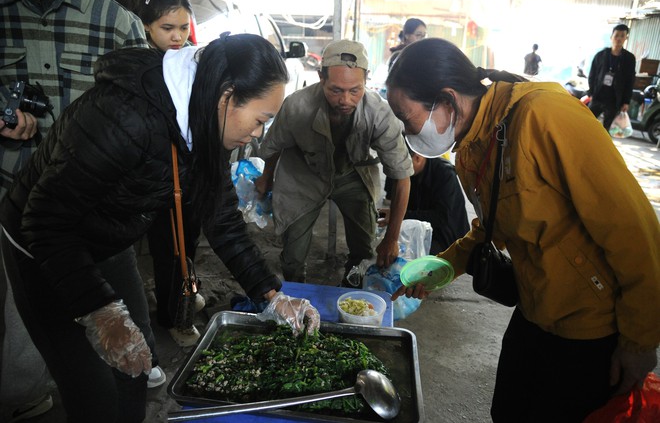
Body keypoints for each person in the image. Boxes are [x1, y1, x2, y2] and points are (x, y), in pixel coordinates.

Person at [0, 33, 321, 423]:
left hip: (111, 231)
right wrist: (101, 312)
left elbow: (220, 216)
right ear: (226, 96)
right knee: (93, 386)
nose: (258, 134)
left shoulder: (205, 116)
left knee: (138, 360)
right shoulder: (125, 116)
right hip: (44, 244)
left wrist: (270, 294)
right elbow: (46, 220)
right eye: (260, 120)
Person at [386, 38, 660, 422]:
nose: (404, 130)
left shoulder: (543, 116)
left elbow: (635, 231)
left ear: (446, 101)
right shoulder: (472, 146)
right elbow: (489, 229)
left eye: (405, 117)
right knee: (508, 412)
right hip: (534, 309)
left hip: (589, 328)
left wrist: (640, 340)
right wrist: (436, 270)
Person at [0, 0, 150, 418]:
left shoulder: (117, 21)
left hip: (95, 207)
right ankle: (24, 396)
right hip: (12, 194)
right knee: (25, 313)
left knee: (116, 327)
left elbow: (144, 102)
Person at [255, 39, 413, 285]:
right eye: (336, 90)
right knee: (292, 255)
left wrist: (391, 238)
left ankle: (351, 292)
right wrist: (266, 178)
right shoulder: (297, 105)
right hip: (303, 175)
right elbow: (276, 145)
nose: (345, 100)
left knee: (364, 250)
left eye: (355, 91)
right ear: (321, 77)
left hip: (353, 174)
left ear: (366, 80)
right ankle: (296, 296)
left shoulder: (380, 114)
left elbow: (402, 177)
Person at [131, 0, 205, 348]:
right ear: (146, 26)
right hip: (155, 174)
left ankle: (182, 294)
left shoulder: (193, 60)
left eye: (183, 27)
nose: (177, 37)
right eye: (167, 28)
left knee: (186, 241)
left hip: (188, 172)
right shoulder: (138, 67)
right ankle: (174, 318)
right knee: (168, 246)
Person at [381, 143, 470, 254]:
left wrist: (400, 215)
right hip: (421, 229)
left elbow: (440, 218)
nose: (400, 171)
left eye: (402, 166)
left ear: (418, 158)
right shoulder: (408, 173)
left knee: (410, 255)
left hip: (446, 237)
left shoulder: (445, 174)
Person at [588, 24, 636, 132]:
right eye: (616, 35)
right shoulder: (600, 55)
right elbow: (592, 75)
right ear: (611, 37)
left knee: (607, 128)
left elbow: (630, 80)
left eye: (622, 36)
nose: (619, 38)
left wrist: (626, 101)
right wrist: (591, 93)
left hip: (614, 99)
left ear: (626, 38)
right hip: (598, 96)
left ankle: (601, 147)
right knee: (587, 121)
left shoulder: (629, 58)